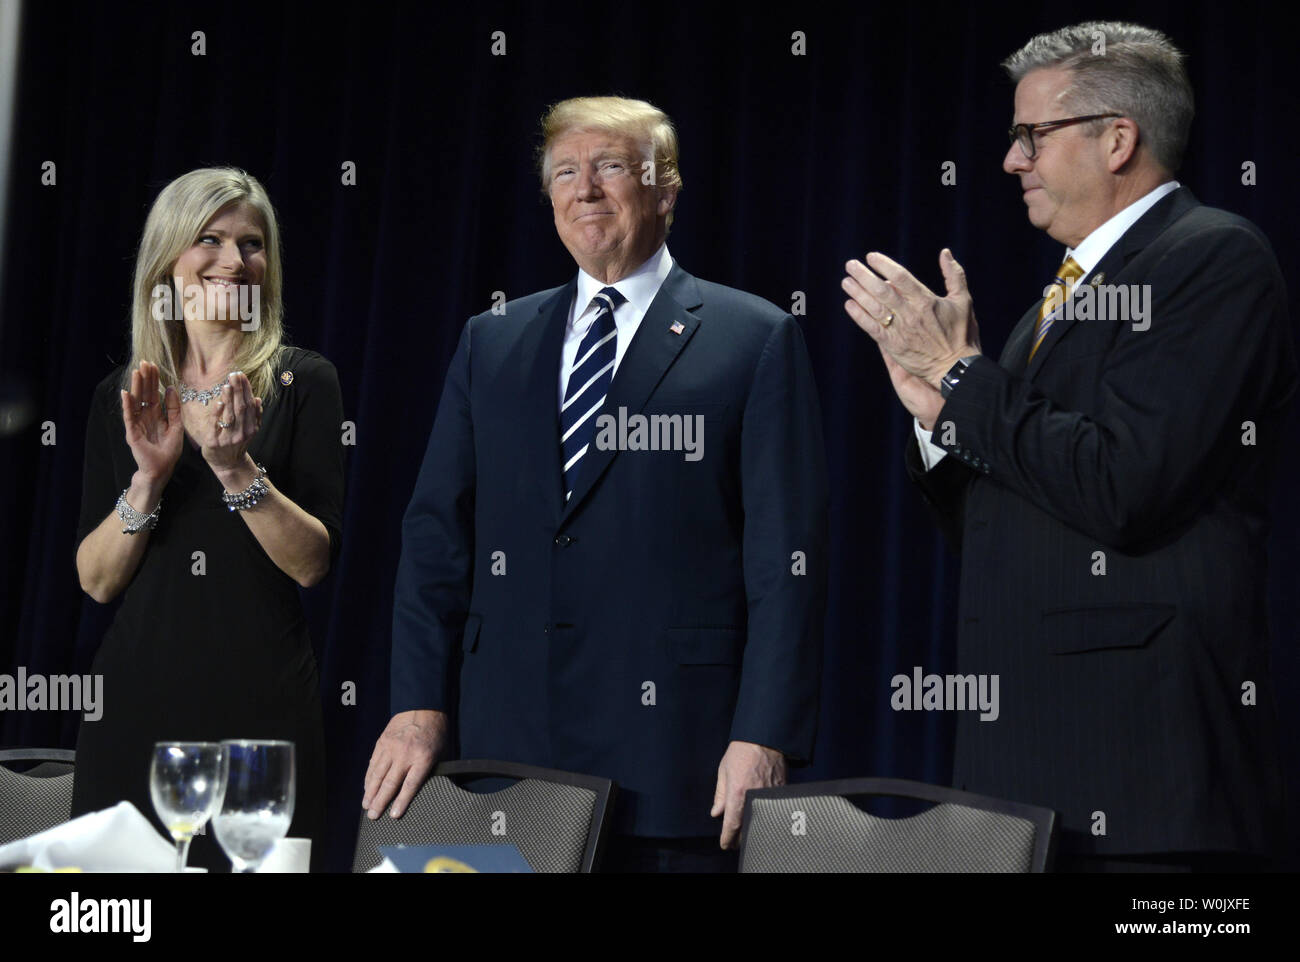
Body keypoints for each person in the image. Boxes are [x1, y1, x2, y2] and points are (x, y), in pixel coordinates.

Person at [842, 21, 1295, 871]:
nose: (1013, 161)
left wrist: (961, 379)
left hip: (1141, 782)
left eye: (1031, 136)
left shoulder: (1212, 259)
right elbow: (1008, 521)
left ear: (1118, 138)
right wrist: (935, 410)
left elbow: (1124, 484)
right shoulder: (1047, 309)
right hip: (1023, 785)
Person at [364, 96, 828, 872]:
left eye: (611, 167)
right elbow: (435, 536)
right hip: (505, 750)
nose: (585, 189)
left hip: (676, 758)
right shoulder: (493, 339)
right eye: (566, 173)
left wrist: (765, 734)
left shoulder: (755, 338)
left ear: (666, 191)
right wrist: (417, 707)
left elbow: (787, 563)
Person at [73, 167, 345, 872]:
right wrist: (149, 477)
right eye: (210, 240)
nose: (234, 261)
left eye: (252, 245)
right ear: (169, 258)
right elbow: (97, 581)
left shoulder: (301, 382)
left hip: (260, 727)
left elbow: (313, 563)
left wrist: (235, 471)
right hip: (135, 718)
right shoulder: (123, 395)